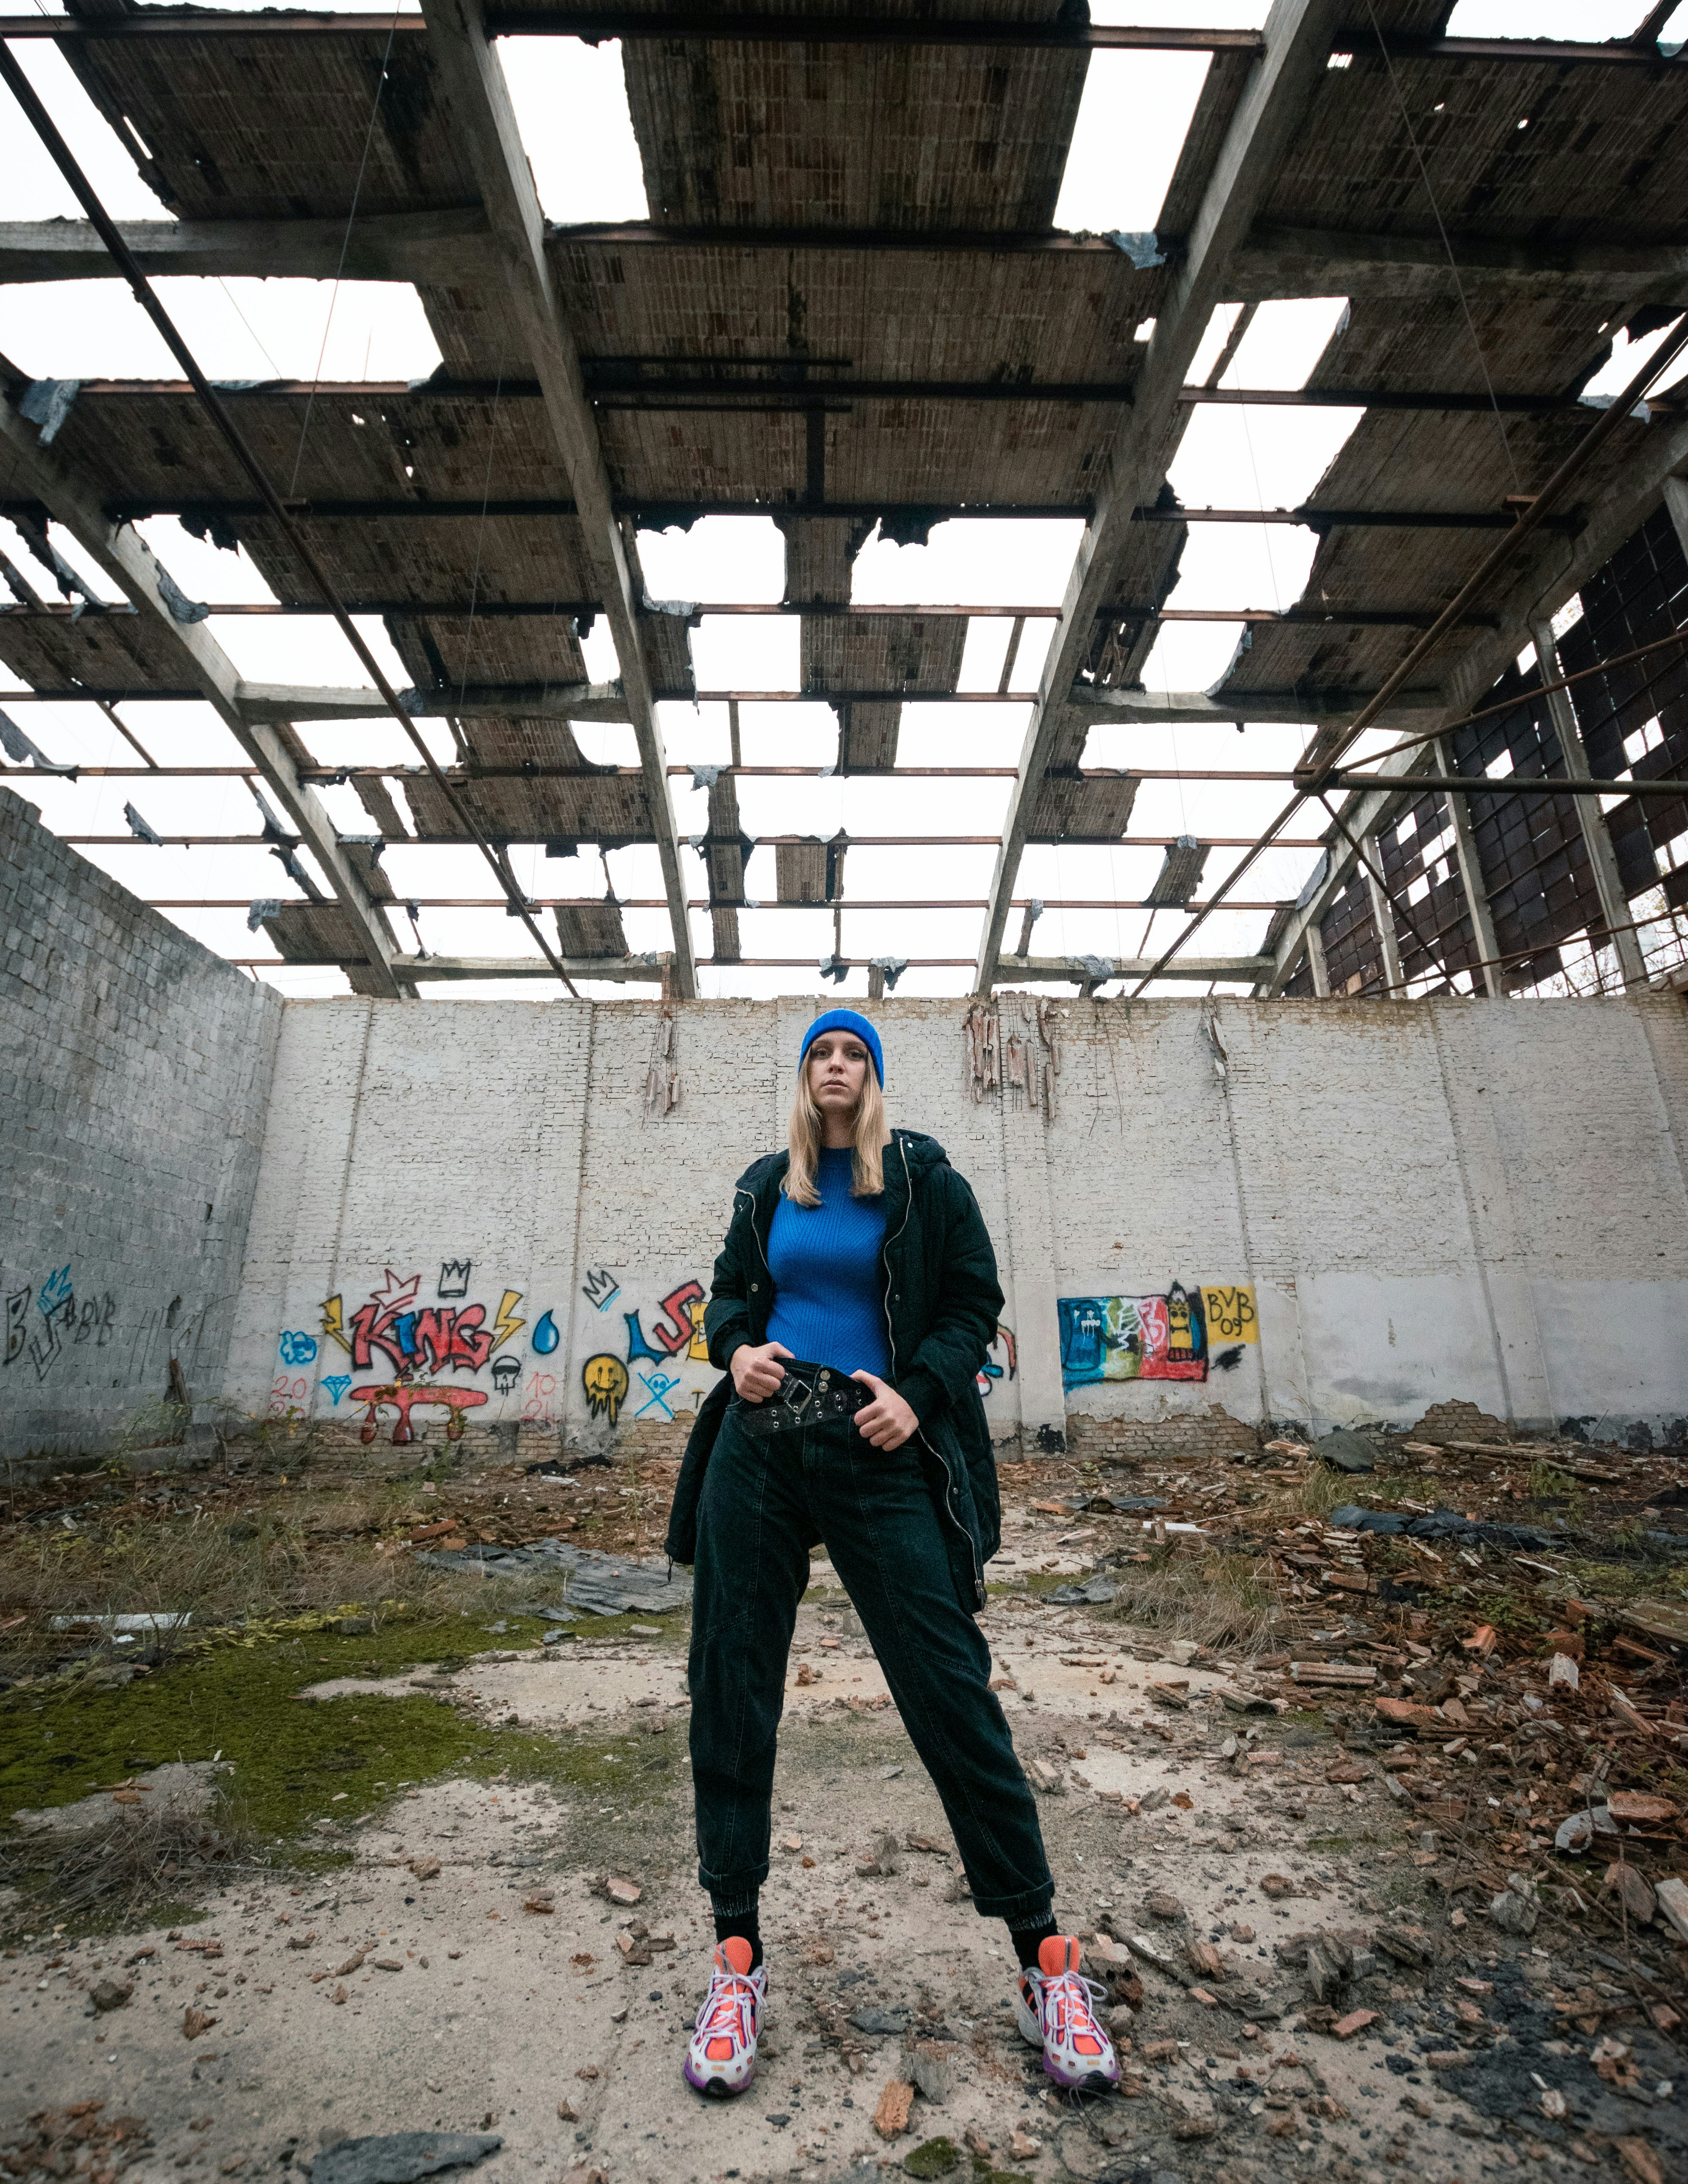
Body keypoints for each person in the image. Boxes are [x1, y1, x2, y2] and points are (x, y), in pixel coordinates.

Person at [665, 1008, 1120, 2102]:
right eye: (820, 1053)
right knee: (730, 1683)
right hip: (761, 1449)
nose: (835, 1068)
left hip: (876, 1443)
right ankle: (736, 1957)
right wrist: (738, 1351)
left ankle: (1045, 1961)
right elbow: (726, 1300)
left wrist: (917, 1402)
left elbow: (972, 1306)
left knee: (949, 1687)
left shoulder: (922, 1179)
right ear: (803, 1075)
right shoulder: (769, 1183)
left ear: (872, 1079)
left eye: (853, 1055)